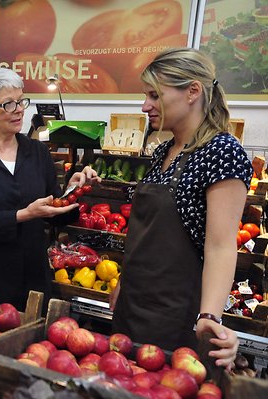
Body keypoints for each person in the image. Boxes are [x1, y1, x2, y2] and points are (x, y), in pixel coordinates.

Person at [109, 48, 252, 368]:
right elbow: (145, 234)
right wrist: (123, 281)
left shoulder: (222, 152)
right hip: (132, 309)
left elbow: (220, 246)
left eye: (154, 96)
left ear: (192, 92)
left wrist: (209, 318)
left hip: (175, 321)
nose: (145, 106)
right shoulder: (163, 152)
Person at [0, 67, 101, 311]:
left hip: (30, 276)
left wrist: (73, 191)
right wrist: (24, 215)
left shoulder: (37, 152)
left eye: (21, 101)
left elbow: (56, 213)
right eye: (8, 104)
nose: (19, 110)